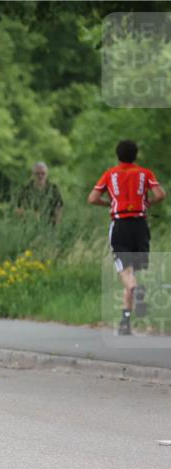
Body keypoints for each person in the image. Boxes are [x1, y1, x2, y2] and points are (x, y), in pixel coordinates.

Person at [88, 140, 166, 335]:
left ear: (118, 155)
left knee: (125, 273)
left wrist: (109, 203)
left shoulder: (110, 174)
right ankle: (125, 321)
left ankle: (137, 292)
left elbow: (92, 198)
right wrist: (147, 203)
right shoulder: (145, 173)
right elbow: (160, 194)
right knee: (132, 274)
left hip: (120, 225)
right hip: (140, 226)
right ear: (136, 155)